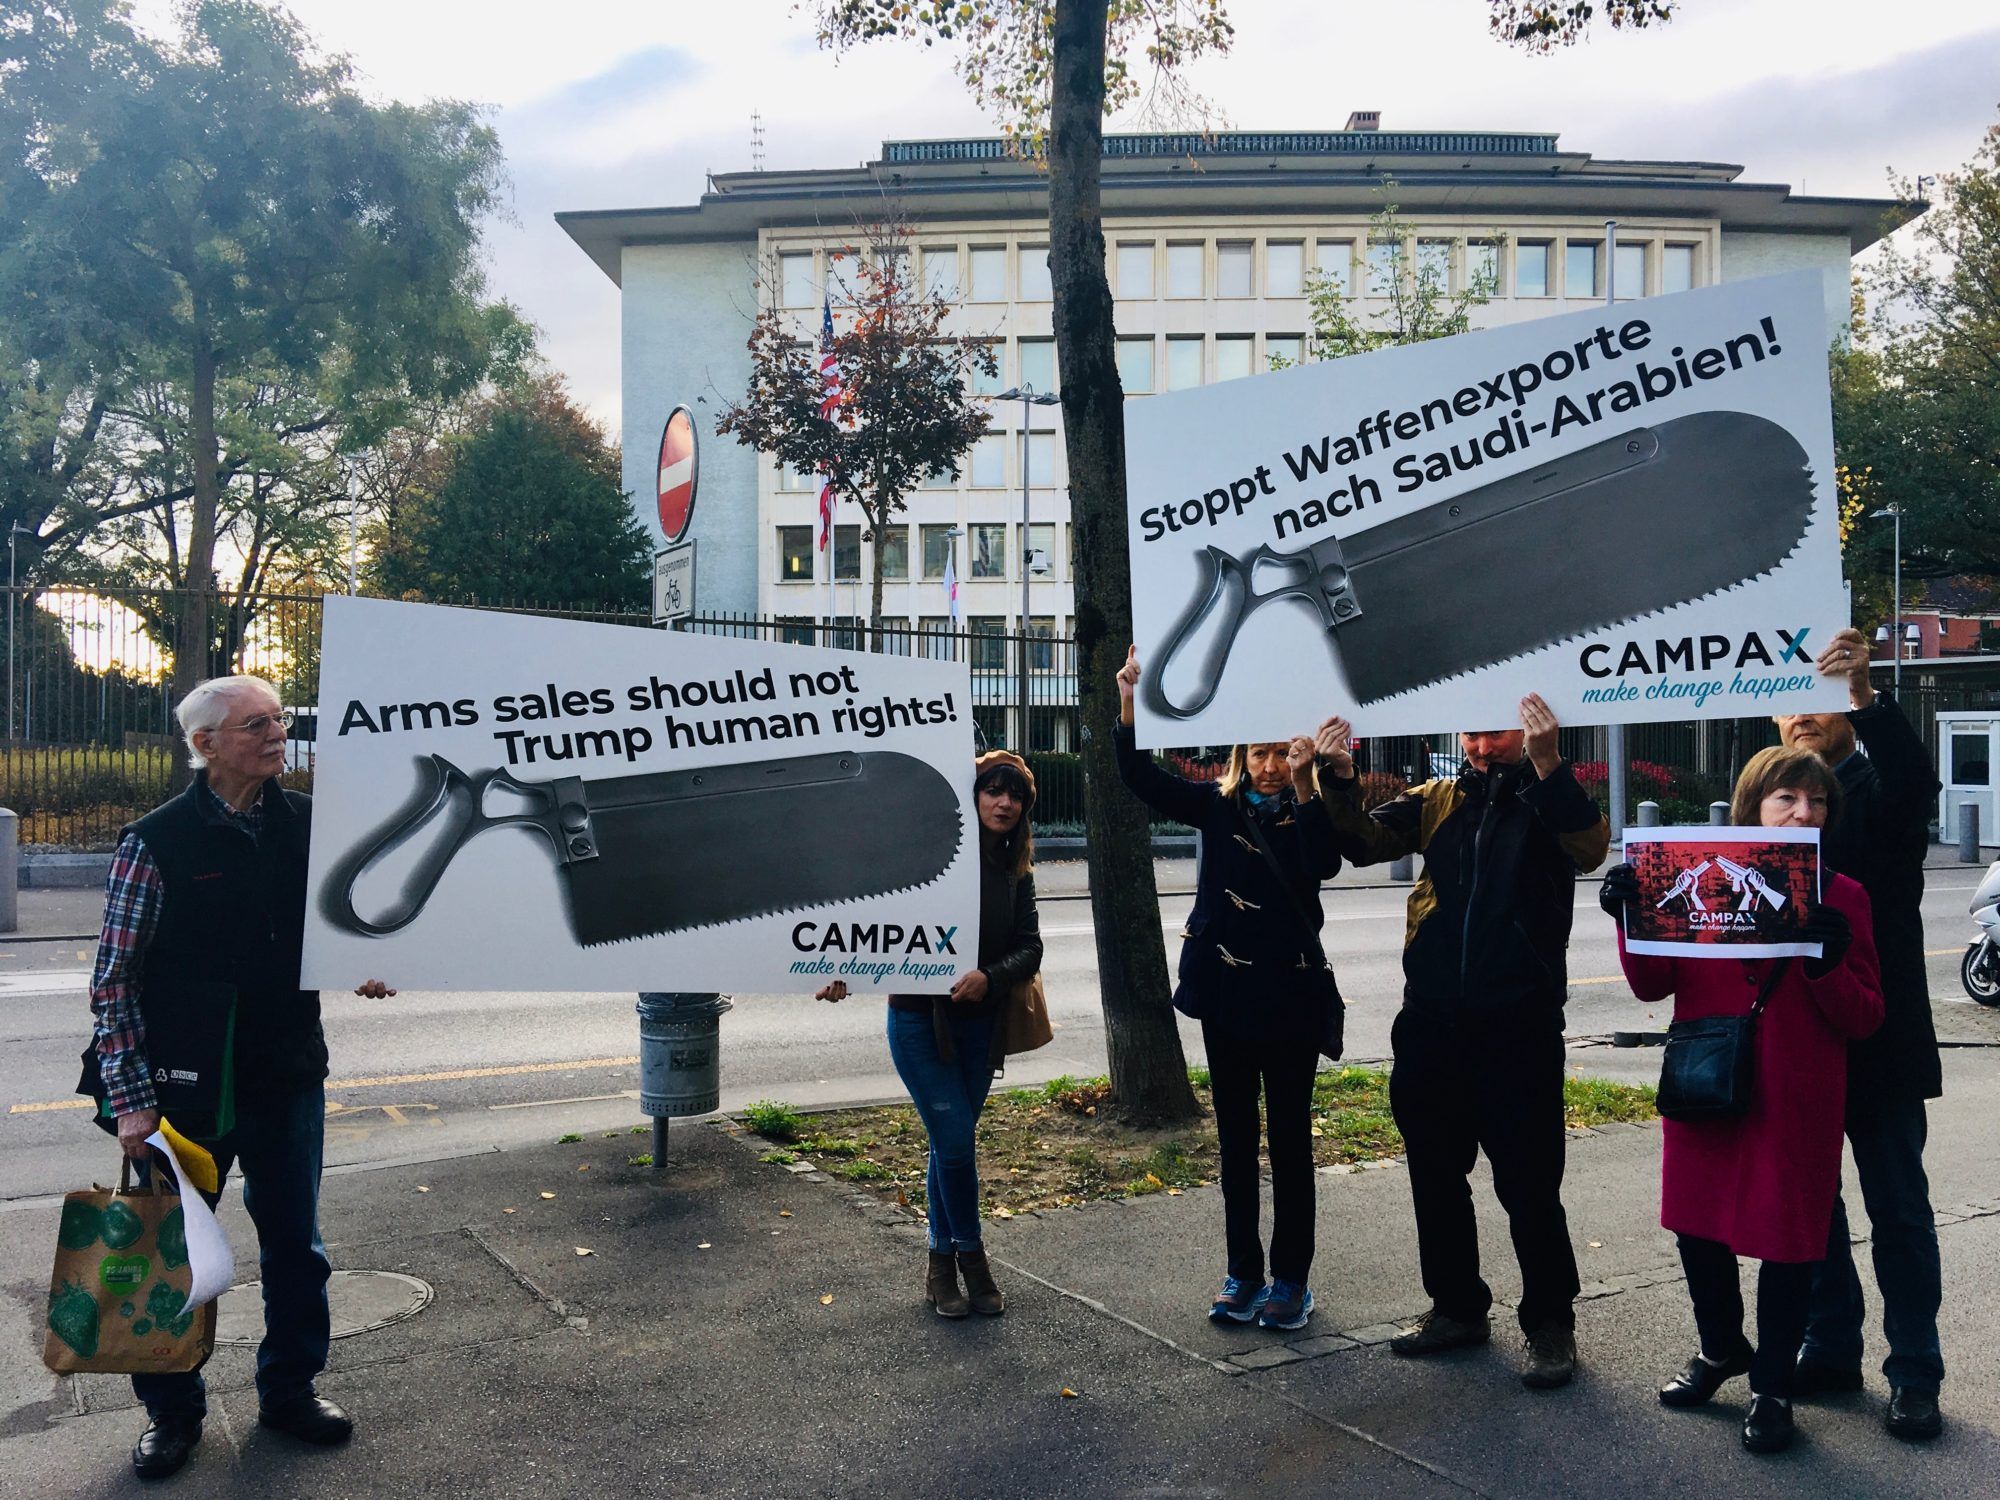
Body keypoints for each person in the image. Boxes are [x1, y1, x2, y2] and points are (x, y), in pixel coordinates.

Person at [84, 675, 393, 1481]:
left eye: (278, 720)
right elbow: (113, 981)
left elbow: (342, 921)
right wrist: (130, 1103)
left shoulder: (308, 825)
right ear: (205, 745)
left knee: (298, 1246)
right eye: (255, 724)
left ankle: (290, 1393)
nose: (276, 734)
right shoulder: (154, 842)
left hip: (288, 1072)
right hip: (184, 1091)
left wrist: (365, 961)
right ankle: (172, 1416)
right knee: (170, 1256)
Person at [1316, 695, 1607, 1390]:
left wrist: (1546, 766)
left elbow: (1591, 849)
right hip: (1433, 1025)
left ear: (1530, 726)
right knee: (1435, 1177)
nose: (1482, 746)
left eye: (1496, 731)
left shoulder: (1551, 797)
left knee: (1530, 1184)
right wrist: (1336, 777)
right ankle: (1455, 1308)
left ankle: (1550, 1324)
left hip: (1520, 1026)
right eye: (1472, 732)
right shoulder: (1438, 797)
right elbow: (1359, 843)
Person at [1601, 745, 1884, 1454]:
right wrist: (1627, 917)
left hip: (1796, 1096)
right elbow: (1651, 985)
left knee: (1788, 1242)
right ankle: (1721, 1348)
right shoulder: (1700, 877)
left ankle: (1773, 1389)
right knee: (1696, 1224)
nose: (1804, 811)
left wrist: (1825, 963)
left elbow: (1867, 1015)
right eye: (1788, 798)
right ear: (1754, 804)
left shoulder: (1843, 895)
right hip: (1708, 1079)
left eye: (1817, 801)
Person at [1112, 646, 1342, 1333]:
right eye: (1260, 753)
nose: (1269, 765)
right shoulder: (1217, 807)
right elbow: (1140, 778)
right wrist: (1129, 699)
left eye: (1281, 753)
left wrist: (1307, 786)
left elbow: (1321, 863)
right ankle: (1243, 1272)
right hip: (1227, 999)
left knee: (1292, 1142)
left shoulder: (1308, 807)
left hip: (1293, 1002)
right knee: (1237, 1140)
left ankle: (1291, 1281)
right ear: (1241, 753)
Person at [1775, 625, 1947, 1441]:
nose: (1803, 715)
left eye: (1821, 703)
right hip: (1801, 1046)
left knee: (1898, 1211)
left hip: (1879, 1043)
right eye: (1790, 705)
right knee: (1814, 1210)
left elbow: (1917, 778)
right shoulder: (1767, 819)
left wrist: (1867, 699)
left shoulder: (1879, 794)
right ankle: (1831, 1344)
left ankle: (1915, 1371)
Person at [816, 750, 1042, 1319]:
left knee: (950, 1144)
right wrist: (840, 970)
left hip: (979, 1026)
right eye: (993, 790)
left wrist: (989, 978)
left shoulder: (1018, 873)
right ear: (973, 796)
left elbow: (1030, 946)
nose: (1005, 802)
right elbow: (870, 922)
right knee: (957, 1139)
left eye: (1015, 795)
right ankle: (971, 1258)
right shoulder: (925, 858)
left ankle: (938, 1266)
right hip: (918, 1022)